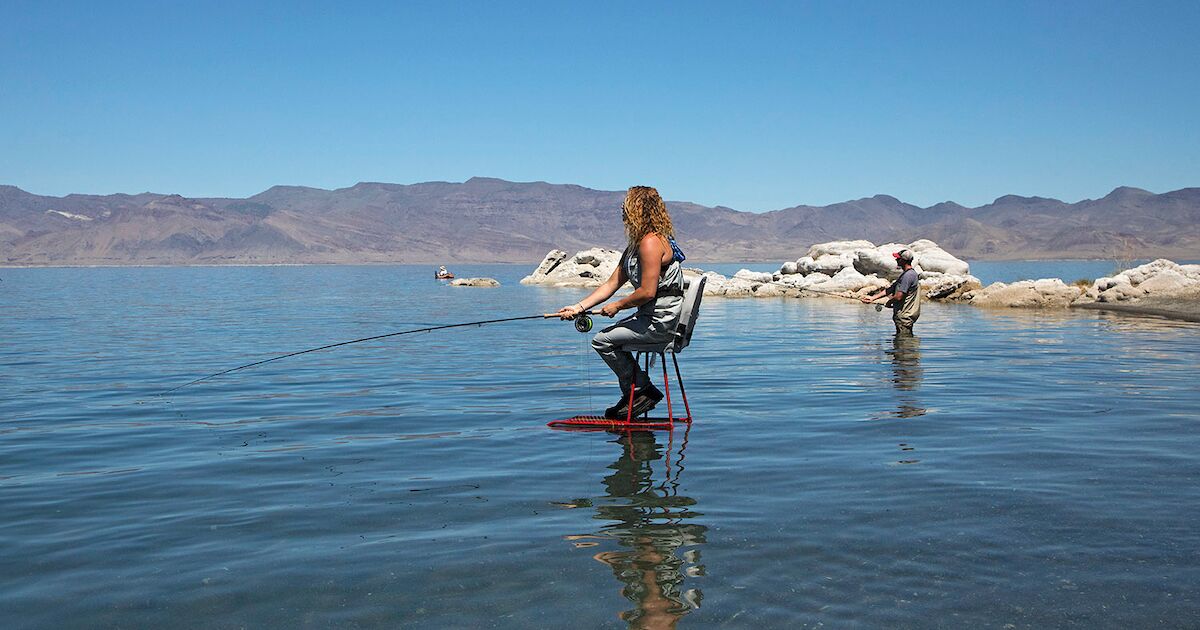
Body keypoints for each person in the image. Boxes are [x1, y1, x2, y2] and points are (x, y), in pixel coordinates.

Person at [558, 186, 685, 419]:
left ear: (638, 210)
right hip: (648, 318)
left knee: (602, 341)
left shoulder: (651, 243)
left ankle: (641, 391)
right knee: (606, 338)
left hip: (660, 323)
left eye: (625, 205)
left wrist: (618, 306)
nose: (621, 211)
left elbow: (647, 292)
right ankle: (635, 394)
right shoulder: (635, 247)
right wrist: (578, 307)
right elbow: (610, 284)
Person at [862, 248, 921, 334]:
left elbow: (899, 296)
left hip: (904, 317)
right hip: (904, 316)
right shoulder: (907, 274)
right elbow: (890, 289)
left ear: (903, 260)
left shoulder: (908, 276)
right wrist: (872, 298)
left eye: (898, 258)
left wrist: (889, 302)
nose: (896, 259)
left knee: (904, 343)